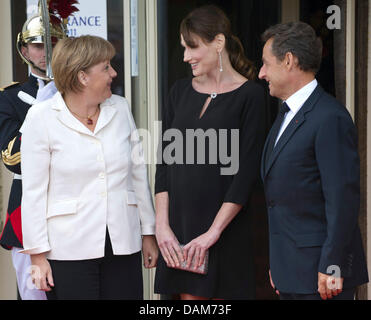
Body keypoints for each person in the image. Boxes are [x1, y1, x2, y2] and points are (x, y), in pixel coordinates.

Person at [19, 35, 158, 300]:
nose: (113, 73)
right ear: (82, 76)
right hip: (68, 249)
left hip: (122, 244)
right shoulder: (41, 117)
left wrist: (148, 231)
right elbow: (34, 191)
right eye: (106, 67)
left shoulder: (120, 107)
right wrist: (37, 256)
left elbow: (137, 174)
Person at [154, 5, 265, 300]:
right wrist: (162, 226)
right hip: (177, 230)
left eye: (192, 47)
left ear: (218, 43)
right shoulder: (178, 91)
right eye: (183, 48)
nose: (185, 56)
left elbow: (246, 174)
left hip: (224, 233)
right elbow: (164, 163)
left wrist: (213, 234)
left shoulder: (251, 96)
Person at [258, 21, 368, 300]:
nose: (261, 73)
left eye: (266, 64)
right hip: (292, 272)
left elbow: (342, 199)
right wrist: (281, 263)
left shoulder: (329, 117)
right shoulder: (286, 114)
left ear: (289, 61)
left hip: (322, 276)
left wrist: (332, 265)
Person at [0, 12, 67, 300]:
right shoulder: (11, 98)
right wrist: (38, 112)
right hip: (26, 207)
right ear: (24, 50)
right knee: (34, 295)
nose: (46, 52)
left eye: (53, 43)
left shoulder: (77, 93)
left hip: (69, 206)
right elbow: (11, 157)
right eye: (39, 46)